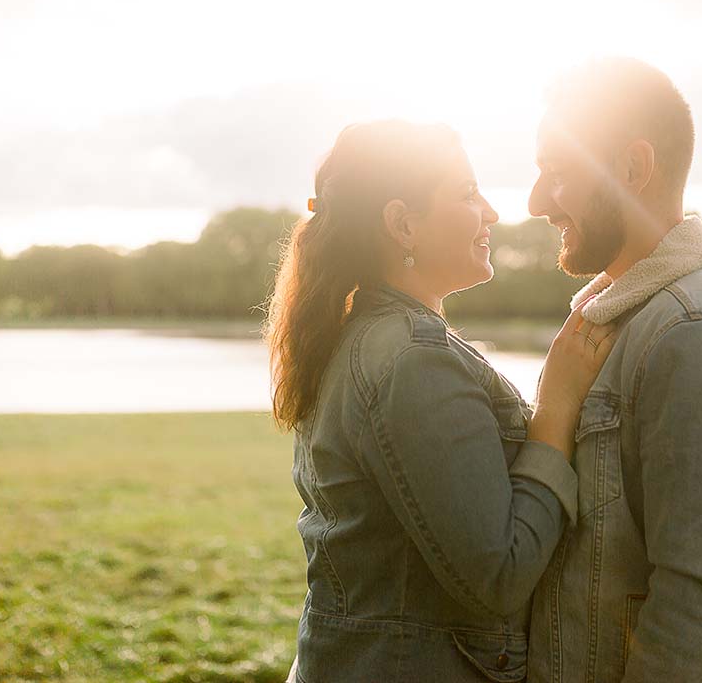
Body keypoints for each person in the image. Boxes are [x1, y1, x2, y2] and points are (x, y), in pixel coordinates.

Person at [263, 120, 617, 682]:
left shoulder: (369, 337)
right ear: (404, 224)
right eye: (467, 194)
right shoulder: (412, 360)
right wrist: (557, 405)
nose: (493, 213)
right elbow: (498, 574)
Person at [525, 58, 702, 683]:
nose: (538, 200)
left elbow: (697, 613)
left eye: (556, 173)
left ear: (633, 168)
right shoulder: (612, 320)